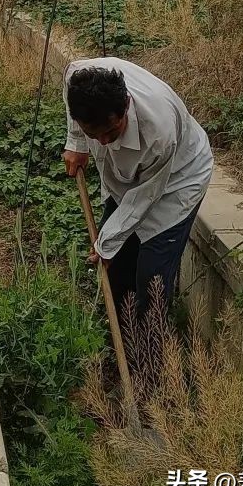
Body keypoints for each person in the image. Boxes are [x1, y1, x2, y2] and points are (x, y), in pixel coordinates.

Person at [62, 58, 213, 322]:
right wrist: (77, 143)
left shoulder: (159, 131)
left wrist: (106, 243)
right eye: (94, 134)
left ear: (126, 107)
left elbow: (146, 196)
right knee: (117, 267)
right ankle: (120, 339)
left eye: (111, 130)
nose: (105, 141)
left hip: (176, 181)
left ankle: (151, 355)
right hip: (130, 176)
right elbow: (70, 92)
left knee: (152, 277)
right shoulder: (78, 77)